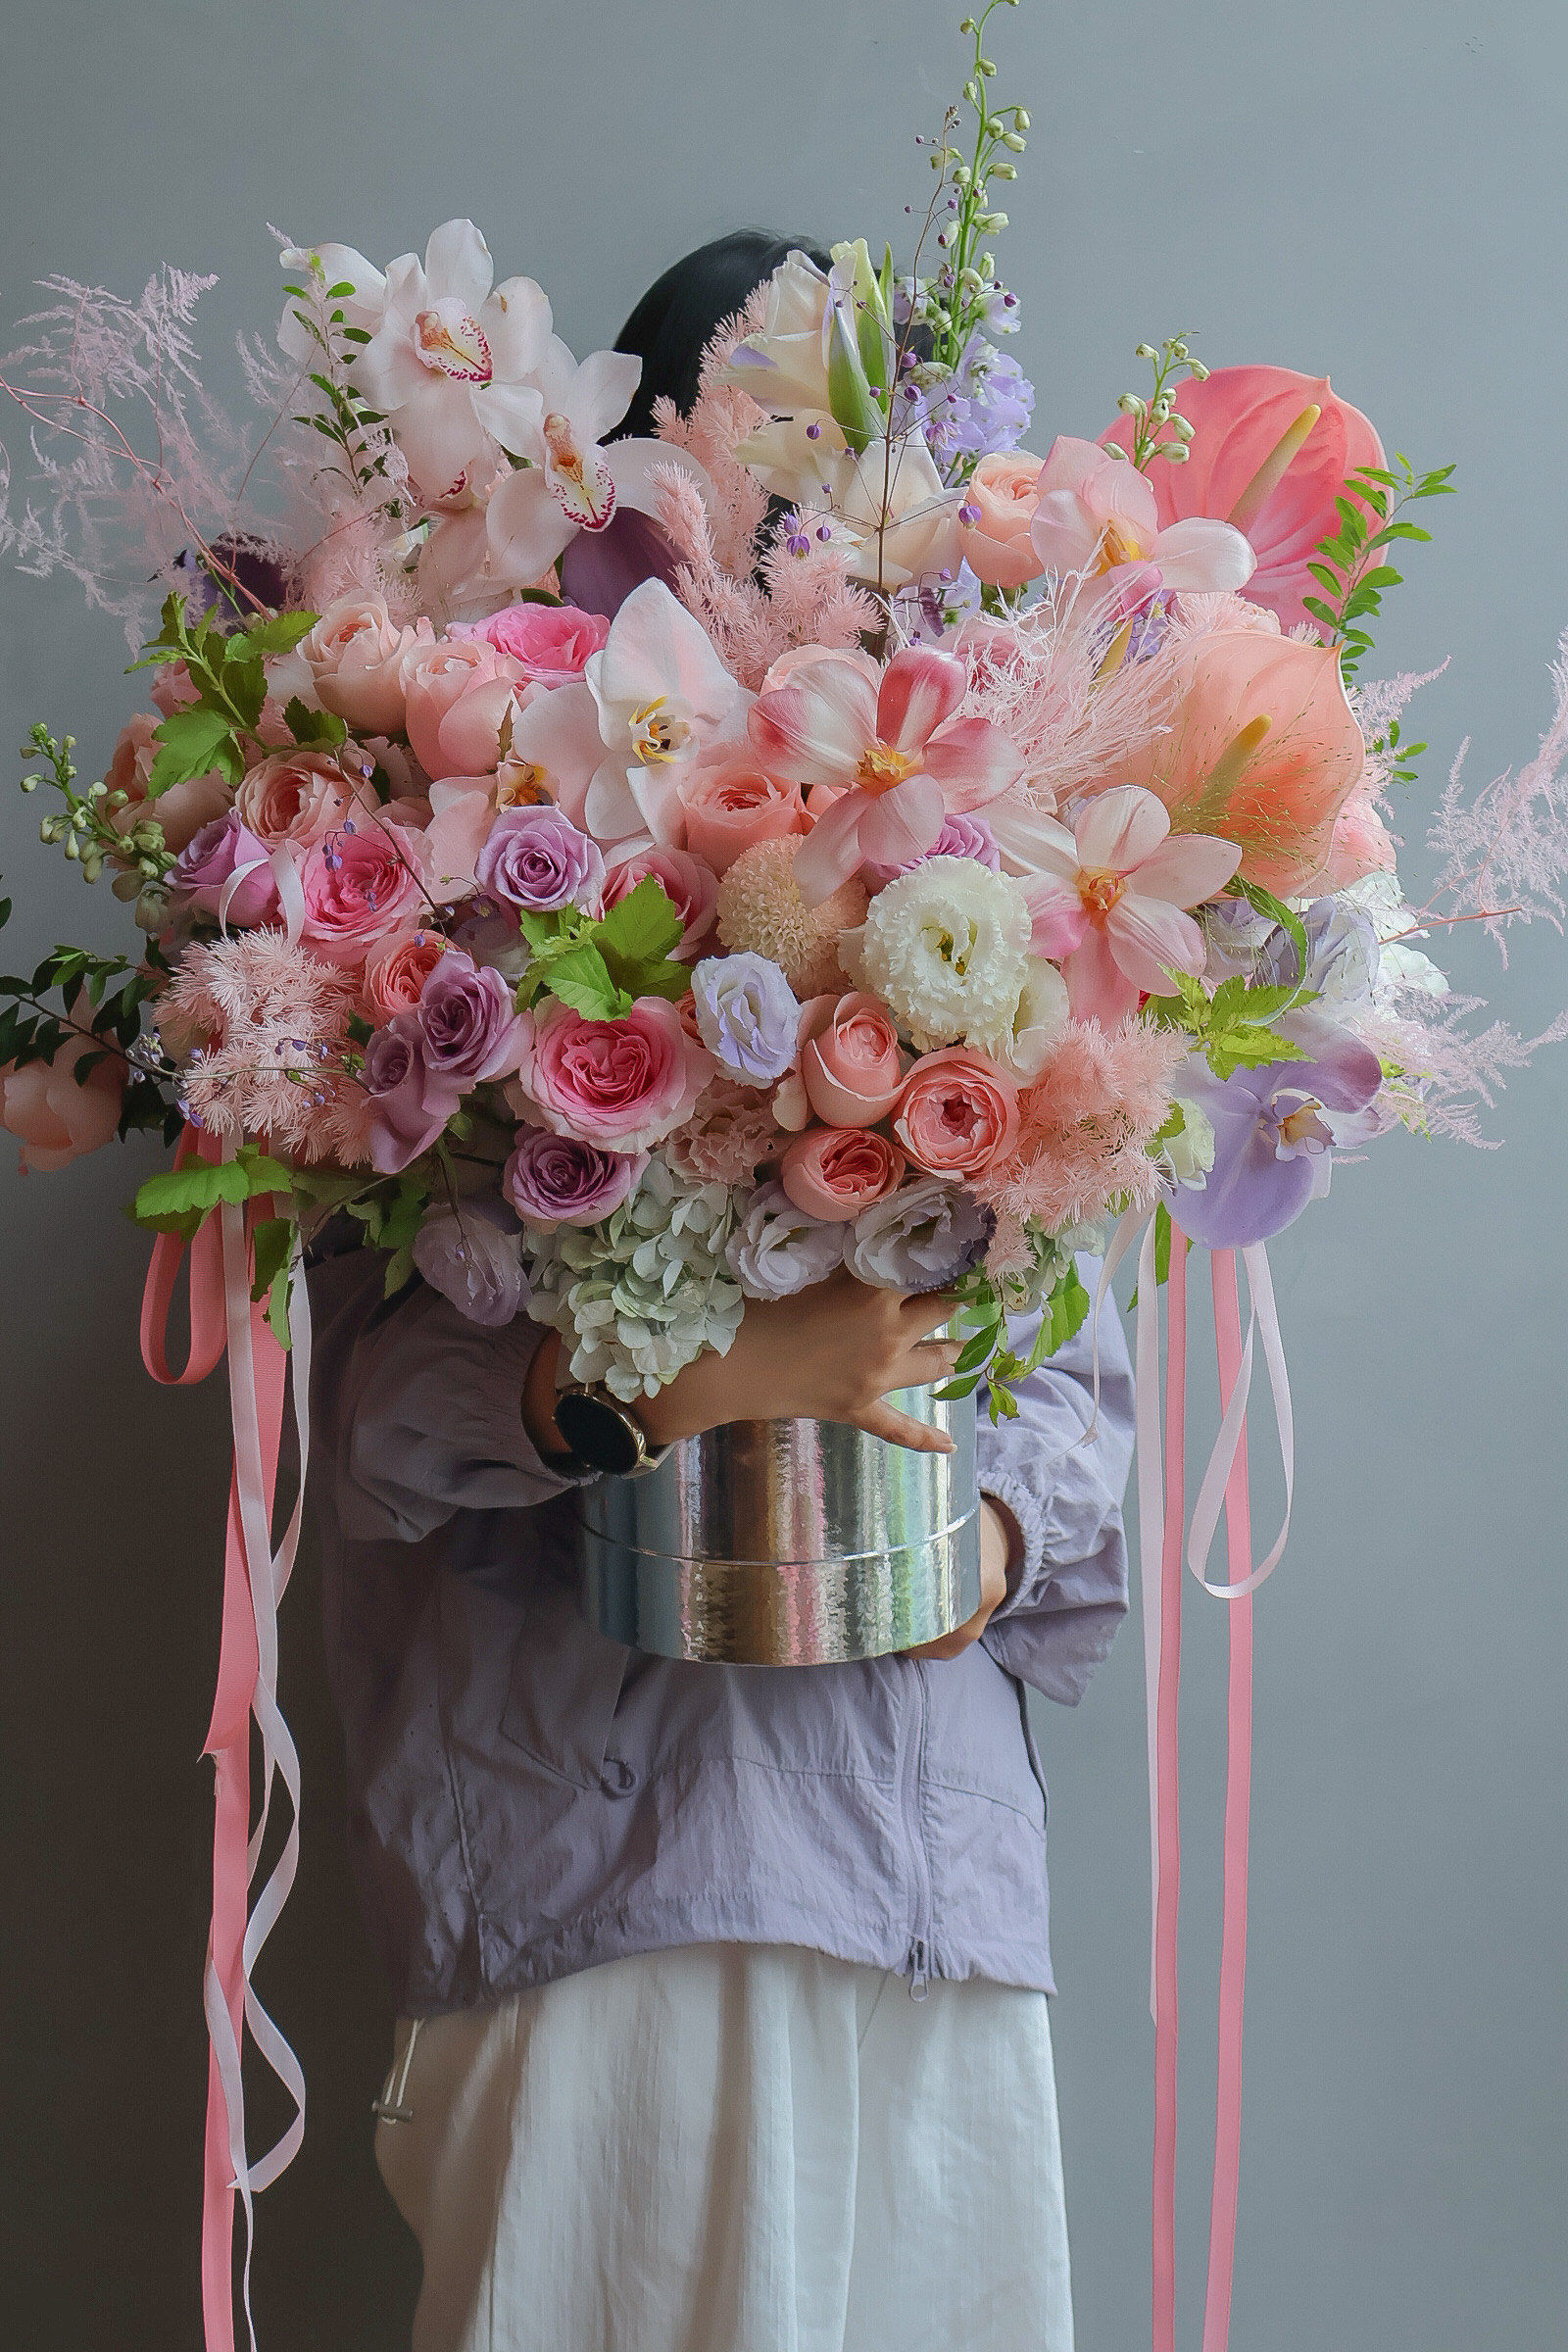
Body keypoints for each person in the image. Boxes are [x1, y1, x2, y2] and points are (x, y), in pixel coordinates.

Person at [308, 235, 1137, 2352]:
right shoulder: (475, 870)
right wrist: (697, 1381)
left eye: (850, 450)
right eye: (752, 439)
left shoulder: (1008, 899)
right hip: (584, 1884)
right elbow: (373, 1425)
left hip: (919, 1886)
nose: (803, 510)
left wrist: (948, 1526)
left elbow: (1085, 1440)